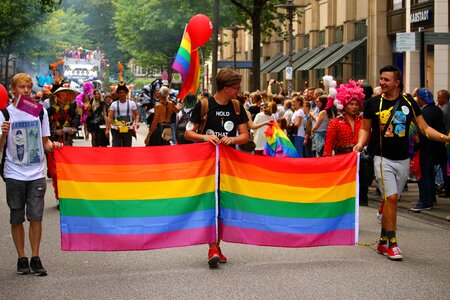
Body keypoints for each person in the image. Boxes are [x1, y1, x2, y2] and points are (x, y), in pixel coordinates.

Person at [354, 65, 450, 261]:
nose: (381, 82)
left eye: (386, 80)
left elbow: (424, 129)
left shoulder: (409, 103)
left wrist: (445, 138)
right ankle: (393, 244)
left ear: (397, 82)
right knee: (390, 199)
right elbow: (365, 129)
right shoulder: (372, 104)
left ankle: (382, 240)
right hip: (382, 158)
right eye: (381, 79)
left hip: (403, 159)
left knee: (392, 201)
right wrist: (360, 143)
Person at [185, 68, 249, 268]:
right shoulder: (203, 105)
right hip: (206, 165)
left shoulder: (237, 106)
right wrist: (205, 137)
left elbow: (245, 136)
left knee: (222, 205)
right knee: (211, 204)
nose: (238, 91)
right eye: (236, 88)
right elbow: (188, 133)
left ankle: (216, 247)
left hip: (229, 165)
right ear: (225, 88)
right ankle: (213, 247)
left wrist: (233, 139)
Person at [0, 73, 62, 275]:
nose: (25, 91)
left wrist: (56, 147)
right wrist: (4, 133)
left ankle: (35, 257)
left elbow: (46, 142)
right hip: (14, 173)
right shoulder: (5, 114)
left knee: (36, 217)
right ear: (13, 89)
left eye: (28, 87)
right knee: (16, 217)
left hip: (36, 173)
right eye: (21, 87)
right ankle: (21, 257)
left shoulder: (39, 112)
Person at [410, 89, 446, 211]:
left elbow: (424, 131)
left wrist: (417, 144)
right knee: (431, 173)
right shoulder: (438, 110)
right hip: (438, 147)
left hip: (426, 148)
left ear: (420, 99)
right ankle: (431, 197)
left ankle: (425, 200)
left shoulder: (423, 113)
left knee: (424, 174)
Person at [106, 82, 139, 147]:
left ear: (126, 93)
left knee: (127, 147)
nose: (122, 94)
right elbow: (109, 117)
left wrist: (137, 122)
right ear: (118, 94)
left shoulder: (132, 104)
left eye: (123, 92)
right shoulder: (114, 104)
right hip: (116, 129)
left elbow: (137, 115)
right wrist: (107, 129)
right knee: (116, 146)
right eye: (120, 93)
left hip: (128, 129)